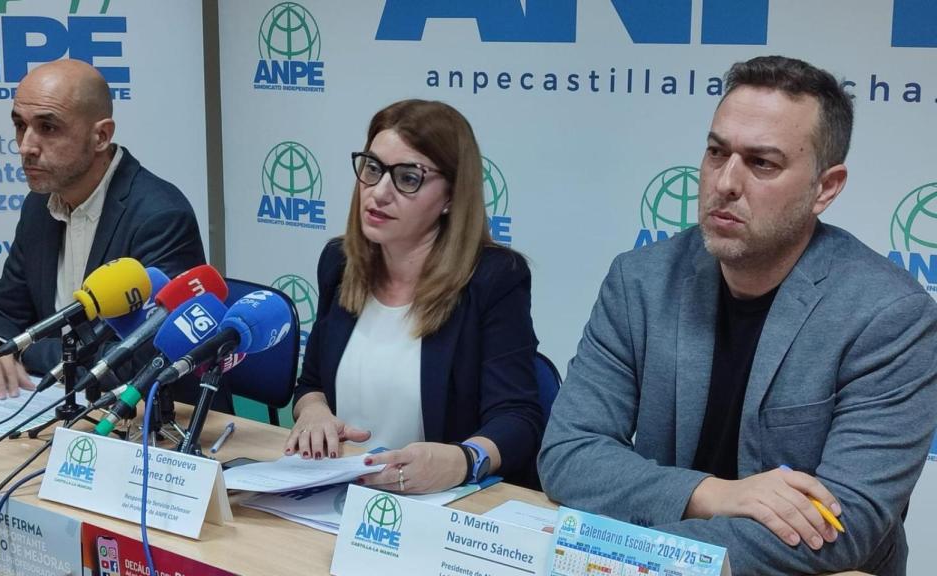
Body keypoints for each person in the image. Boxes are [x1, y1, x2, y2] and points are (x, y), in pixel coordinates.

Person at [539, 55, 937, 575]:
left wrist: (648, 551)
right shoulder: (640, 280)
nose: (725, 182)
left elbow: (848, 524)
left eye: (762, 163)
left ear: (826, 188)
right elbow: (569, 454)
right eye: (715, 152)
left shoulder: (891, 316)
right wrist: (713, 493)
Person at [284, 99, 543, 492]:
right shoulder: (339, 264)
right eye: (372, 169)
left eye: (408, 178)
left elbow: (518, 418)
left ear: (452, 197)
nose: (379, 192)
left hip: (442, 504)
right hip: (341, 492)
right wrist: (314, 411)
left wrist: (461, 460)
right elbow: (312, 384)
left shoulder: (493, 279)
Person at [0, 59, 205, 400]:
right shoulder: (40, 206)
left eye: (48, 128)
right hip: (59, 401)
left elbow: (140, 356)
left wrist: (20, 350)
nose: (26, 146)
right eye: (20, 125)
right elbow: (3, 310)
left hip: (153, 418)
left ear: (101, 136)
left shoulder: (160, 215)